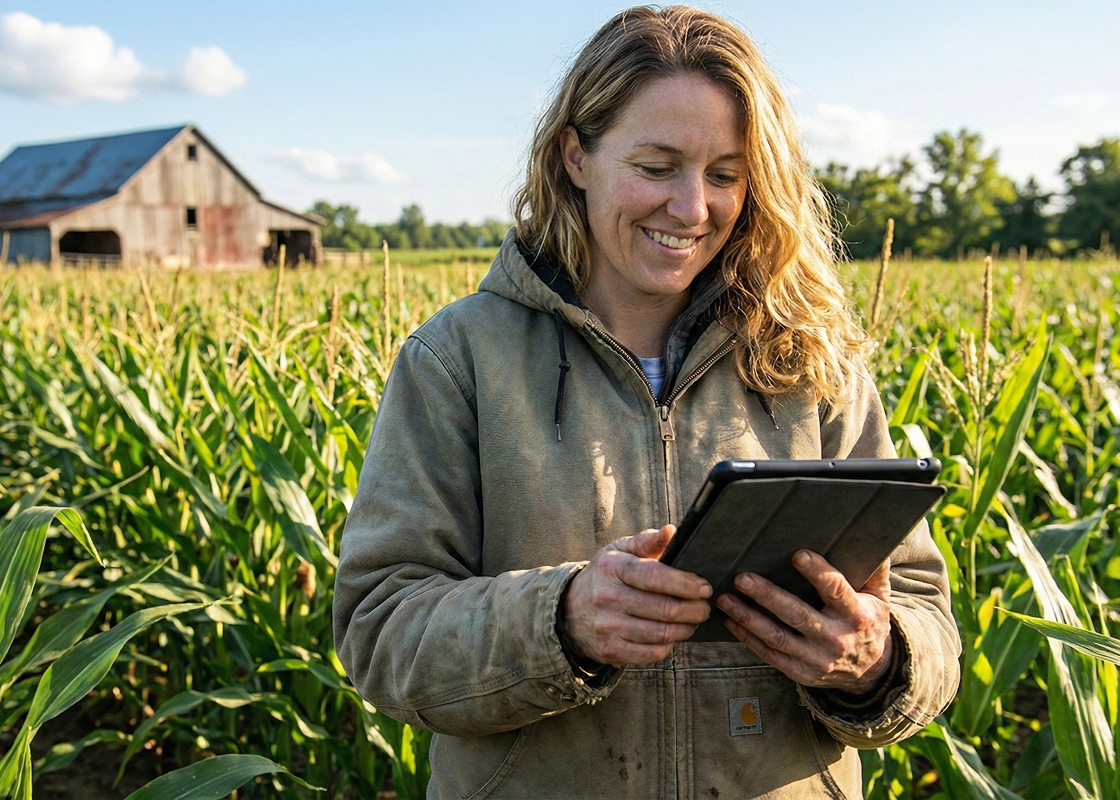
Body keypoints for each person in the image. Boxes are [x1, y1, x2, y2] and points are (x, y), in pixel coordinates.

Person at [334, 6, 960, 798]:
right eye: (658, 167)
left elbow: (925, 616)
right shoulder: (459, 359)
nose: (693, 208)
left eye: (725, 175)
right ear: (576, 157)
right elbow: (380, 632)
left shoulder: (810, 359)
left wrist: (876, 658)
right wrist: (563, 620)